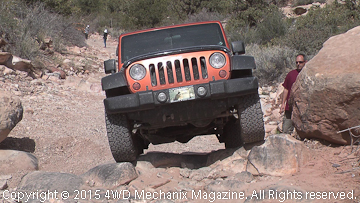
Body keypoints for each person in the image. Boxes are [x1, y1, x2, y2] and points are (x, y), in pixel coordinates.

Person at [280, 54, 307, 134]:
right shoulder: (291, 74)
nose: (298, 64)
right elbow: (286, 89)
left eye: (300, 62)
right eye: (297, 62)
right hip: (290, 107)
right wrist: (283, 103)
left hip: (303, 108)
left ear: (305, 62)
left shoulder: (308, 74)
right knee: (286, 130)